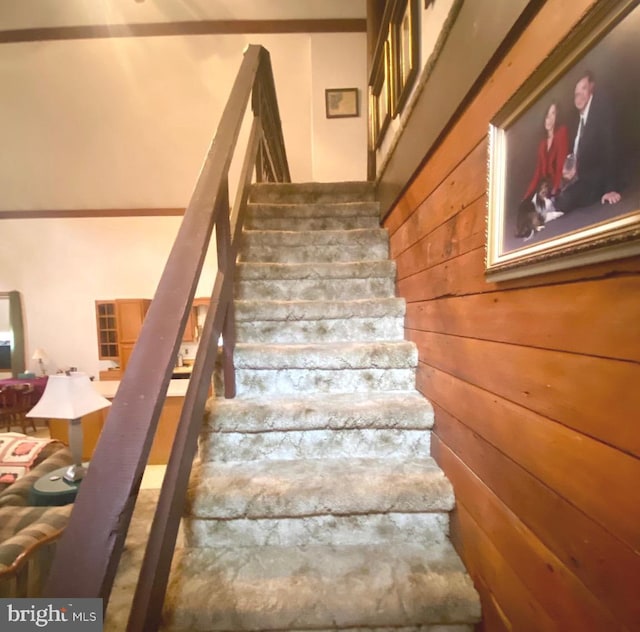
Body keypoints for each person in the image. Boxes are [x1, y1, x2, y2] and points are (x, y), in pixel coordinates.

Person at [557, 70, 621, 212]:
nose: (579, 96)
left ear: (592, 88)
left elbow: (609, 148)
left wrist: (611, 188)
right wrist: (568, 171)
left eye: (583, 89)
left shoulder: (602, 109)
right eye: (576, 93)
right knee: (555, 198)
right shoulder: (575, 120)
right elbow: (573, 153)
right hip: (577, 180)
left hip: (596, 180)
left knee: (564, 201)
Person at [524, 101, 569, 200]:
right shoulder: (542, 144)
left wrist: (554, 191)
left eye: (553, 114)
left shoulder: (561, 133)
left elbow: (561, 165)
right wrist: (526, 197)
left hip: (560, 186)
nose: (549, 119)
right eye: (547, 116)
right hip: (546, 189)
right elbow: (537, 173)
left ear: (558, 116)